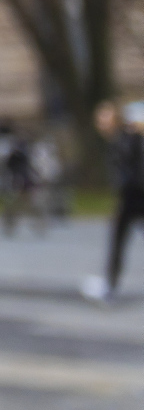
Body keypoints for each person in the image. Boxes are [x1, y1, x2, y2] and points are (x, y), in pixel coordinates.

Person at [83, 100, 144, 305]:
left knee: (117, 241)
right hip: (131, 198)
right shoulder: (121, 139)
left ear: (115, 119)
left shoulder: (128, 137)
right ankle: (110, 286)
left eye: (105, 117)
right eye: (99, 118)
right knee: (117, 242)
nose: (101, 122)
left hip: (135, 197)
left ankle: (109, 287)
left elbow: (134, 170)